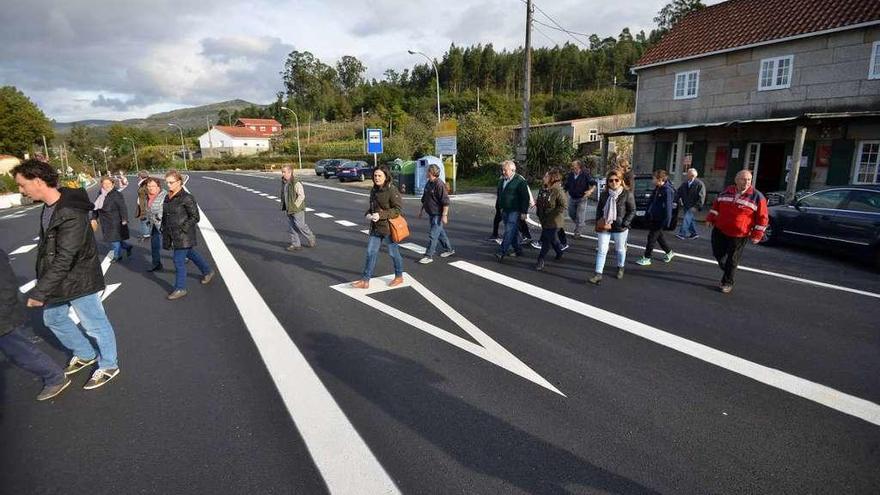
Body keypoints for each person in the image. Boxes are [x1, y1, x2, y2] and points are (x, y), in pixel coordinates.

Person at [12, 159, 121, 390]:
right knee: (54, 319)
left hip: (79, 278)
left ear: (38, 181)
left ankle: (110, 364)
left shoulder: (70, 212)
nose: (21, 190)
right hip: (61, 279)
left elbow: (65, 257)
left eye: (22, 185)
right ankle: (85, 353)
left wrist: (40, 291)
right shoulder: (51, 206)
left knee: (94, 324)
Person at [0, 248, 71, 400]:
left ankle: (55, 377)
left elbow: (6, 287)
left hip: (3, 318)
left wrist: (3, 315)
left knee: (20, 352)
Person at [706, 170, 768, 294]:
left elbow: (763, 218)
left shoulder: (757, 197)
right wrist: (710, 219)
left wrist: (757, 235)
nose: (746, 182)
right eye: (743, 179)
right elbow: (715, 207)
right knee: (718, 253)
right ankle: (727, 268)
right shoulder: (725, 191)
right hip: (720, 229)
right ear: (736, 180)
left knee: (732, 259)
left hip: (740, 234)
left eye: (749, 180)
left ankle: (727, 282)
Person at [161, 170, 215, 300]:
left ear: (179, 182)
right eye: (167, 182)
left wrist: (183, 228)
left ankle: (180, 288)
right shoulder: (168, 197)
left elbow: (195, 217)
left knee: (178, 260)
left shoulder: (187, 197)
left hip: (183, 234)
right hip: (171, 233)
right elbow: (166, 215)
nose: (168, 185)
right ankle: (208, 271)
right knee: (191, 253)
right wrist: (163, 227)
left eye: (171, 182)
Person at [352, 164, 404, 289]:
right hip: (376, 227)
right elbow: (372, 208)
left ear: (386, 177)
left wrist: (380, 215)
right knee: (370, 253)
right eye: (375, 175)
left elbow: (397, 210)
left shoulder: (391, 190)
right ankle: (365, 281)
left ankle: (399, 276)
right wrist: (368, 214)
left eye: (379, 175)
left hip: (388, 228)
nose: (377, 178)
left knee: (393, 253)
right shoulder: (374, 190)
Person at [589, 170, 636, 284]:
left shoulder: (627, 194)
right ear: (608, 182)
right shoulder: (605, 194)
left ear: (621, 181)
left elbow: (632, 210)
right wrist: (598, 222)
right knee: (602, 250)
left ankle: (621, 267)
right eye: (611, 180)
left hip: (620, 228)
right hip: (605, 226)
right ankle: (598, 274)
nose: (614, 182)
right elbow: (599, 210)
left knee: (620, 249)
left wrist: (625, 223)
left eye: (616, 180)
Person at [636, 169, 676, 266]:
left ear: (660, 179)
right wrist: (647, 213)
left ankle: (647, 257)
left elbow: (668, 207)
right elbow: (652, 202)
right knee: (659, 237)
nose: (652, 180)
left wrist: (667, 221)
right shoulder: (658, 188)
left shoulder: (667, 190)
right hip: (654, 217)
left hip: (660, 219)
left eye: (654, 178)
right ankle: (669, 252)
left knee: (652, 237)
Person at [418, 164, 454, 264]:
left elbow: (446, 201)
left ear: (431, 172)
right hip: (431, 213)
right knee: (440, 233)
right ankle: (449, 250)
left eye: (427, 171)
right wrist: (421, 211)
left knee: (433, 235)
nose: (425, 173)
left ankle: (428, 256)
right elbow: (424, 199)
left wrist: (444, 215)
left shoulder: (439, 184)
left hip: (438, 214)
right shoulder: (428, 183)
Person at [495, 160, 531, 261]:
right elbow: (500, 194)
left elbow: (525, 197)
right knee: (513, 232)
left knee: (509, 230)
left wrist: (524, 212)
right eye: (503, 170)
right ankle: (518, 250)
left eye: (505, 170)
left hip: (514, 210)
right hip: (505, 210)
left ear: (513, 170)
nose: (503, 172)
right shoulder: (502, 180)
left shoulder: (520, 181)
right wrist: (500, 207)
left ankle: (502, 252)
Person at [92, 176, 133, 262]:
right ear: (101, 184)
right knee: (116, 238)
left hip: (115, 221)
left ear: (113, 184)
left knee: (114, 239)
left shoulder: (117, 194)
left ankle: (117, 256)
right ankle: (127, 247)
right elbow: (96, 207)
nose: (106, 185)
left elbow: (122, 207)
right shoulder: (101, 194)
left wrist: (124, 219)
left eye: (108, 183)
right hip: (105, 221)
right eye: (104, 183)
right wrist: (94, 218)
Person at [534, 168, 567, 271]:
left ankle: (540, 259)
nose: (544, 178)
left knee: (547, 239)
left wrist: (552, 214)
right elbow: (541, 201)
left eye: (546, 176)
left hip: (554, 221)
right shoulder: (543, 188)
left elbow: (563, 205)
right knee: (553, 239)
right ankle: (559, 251)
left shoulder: (557, 190)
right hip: (544, 219)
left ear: (552, 179)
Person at [281, 165, 316, 251]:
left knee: (300, 225)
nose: (282, 174)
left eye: (284, 172)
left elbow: (301, 196)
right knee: (292, 227)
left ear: (290, 172)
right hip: (289, 208)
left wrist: (295, 206)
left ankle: (311, 237)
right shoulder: (284, 182)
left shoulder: (296, 182)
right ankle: (296, 244)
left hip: (297, 209)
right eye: (282, 172)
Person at [562, 159, 596, 237]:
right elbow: (566, 186)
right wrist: (562, 193)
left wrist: (590, 191)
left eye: (575, 167)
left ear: (579, 167)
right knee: (571, 214)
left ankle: (577, 232)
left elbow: (594, 183)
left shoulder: (585, 174)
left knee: (580, 215)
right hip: (572, 198)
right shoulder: (570, 175)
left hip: (582, 198)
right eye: (572, 168)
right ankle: (580, 223)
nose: (573, 169)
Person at [675, 168, 707, 239]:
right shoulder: (685, 183)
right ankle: (694, 234)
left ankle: (682, 234)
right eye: (688, 174)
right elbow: (678, 192)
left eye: (690, 174)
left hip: (693, 206)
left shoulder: (699, 184)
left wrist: (697, 206)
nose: (688, 175)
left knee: (686, 218)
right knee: (690, 219)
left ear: (694, 176)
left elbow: (702, 196)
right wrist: (675, 201)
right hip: (686, 204)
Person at [143, 177, 166, 272]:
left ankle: (205, 269)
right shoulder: (148, 196)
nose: (150, 188)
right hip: (154, 225)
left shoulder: (165, 196)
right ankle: (156, 264)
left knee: (177, 245)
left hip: (165, 224)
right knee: (154, 245)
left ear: (158, 186)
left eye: (153, 186)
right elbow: (149, 210)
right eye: (148, 186)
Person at [135, 170, 151, 240]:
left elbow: (149, 194)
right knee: (143, 218)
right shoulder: (143, 183)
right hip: (142, 203)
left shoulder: (145, 184)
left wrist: (148, 203)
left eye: (138, 176)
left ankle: (146, 234)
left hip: (144, 204)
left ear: (141, 176)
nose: (138, 178)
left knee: (144, 218)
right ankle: (146, 233)